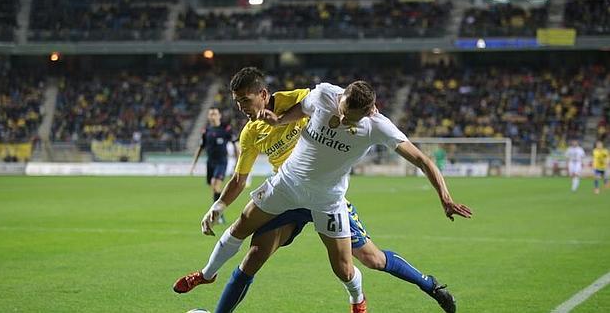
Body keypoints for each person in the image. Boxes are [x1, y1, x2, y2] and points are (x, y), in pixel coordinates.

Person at [174, 74, 472, 312]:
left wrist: (445, 198)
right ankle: (209, 280)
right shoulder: (321, 96)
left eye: (351, 119)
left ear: (369, 111)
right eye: (343, 113)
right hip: (287, 188)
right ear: (340, 99)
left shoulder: (377, 125)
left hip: (327, 199)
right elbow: (300, 110)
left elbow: (422, 159)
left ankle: (425, 287)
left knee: (363, 262)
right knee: (251, 250)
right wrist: (277, 121)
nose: (343, 121)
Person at [190, 107, 239, 223]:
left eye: (215, 114)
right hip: (210, 162)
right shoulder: (206, 131)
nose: (213, 116)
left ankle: (218, 215)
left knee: (215, 185)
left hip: (222, 162)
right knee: (214, 187)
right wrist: (193, 164)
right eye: (211, 114)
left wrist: (238, 162)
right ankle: (216, 212)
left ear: (219, 116)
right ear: (208, 116)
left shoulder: (226, 128)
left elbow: (236, 145)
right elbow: (201, 148)